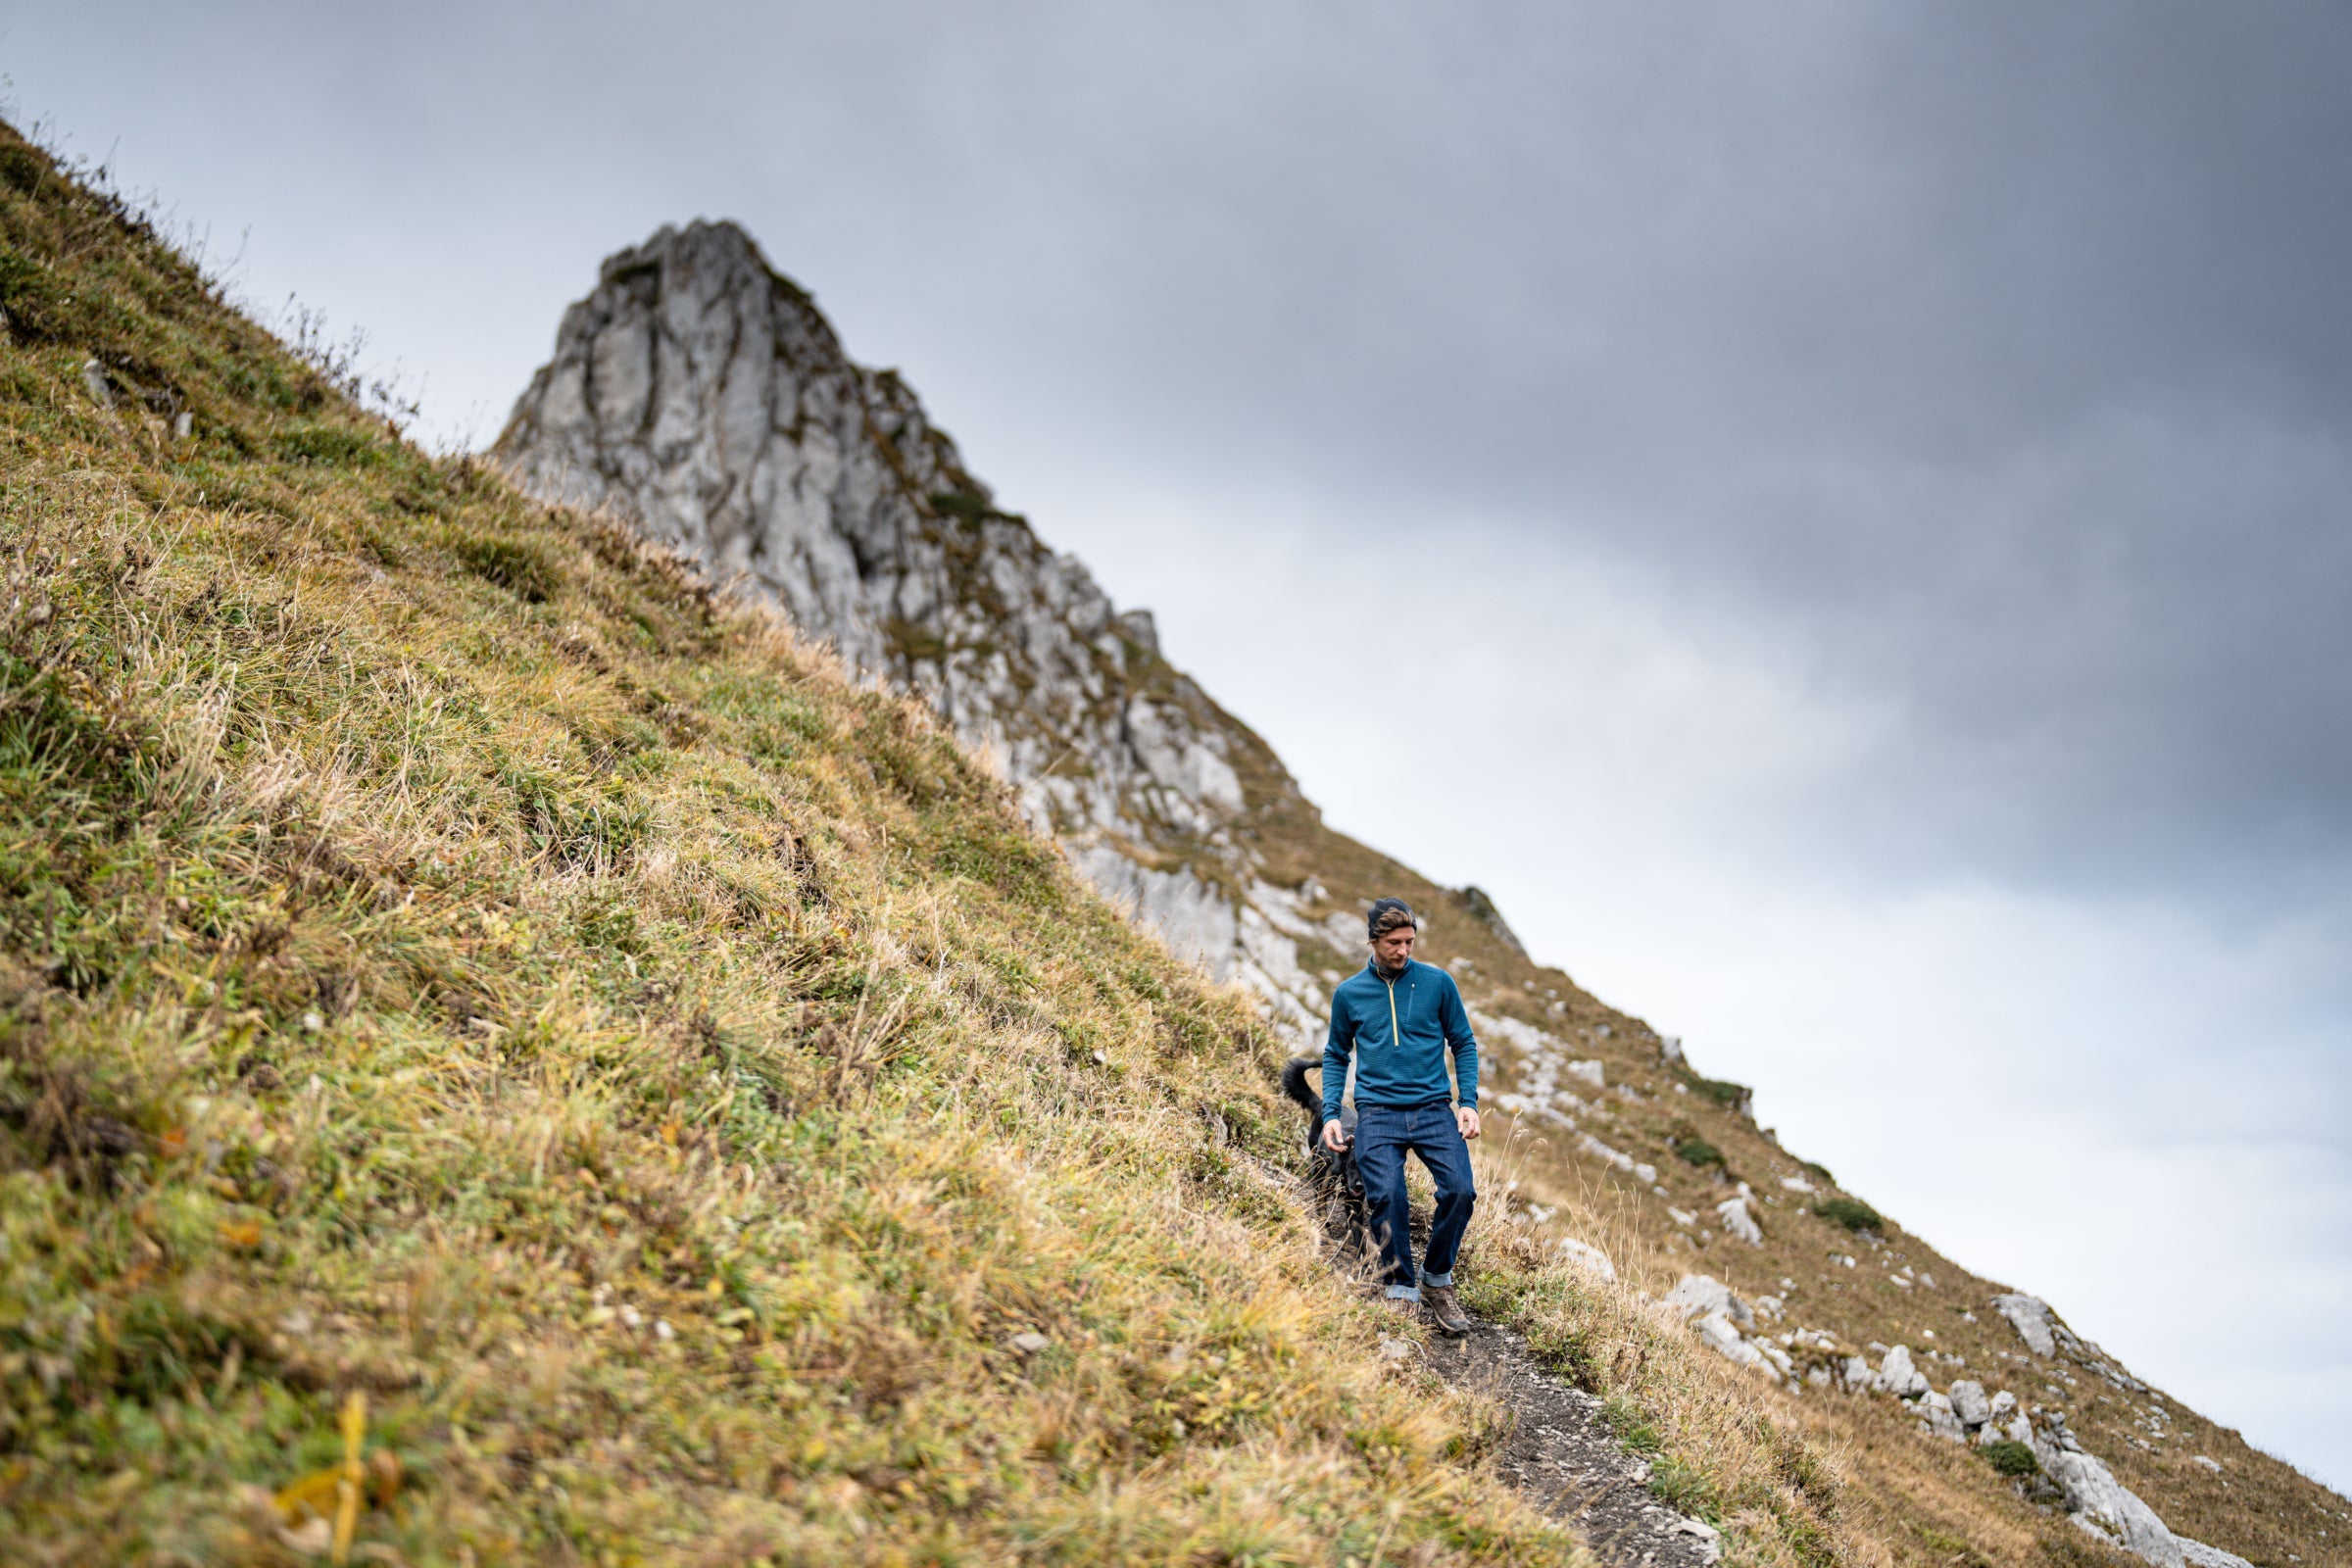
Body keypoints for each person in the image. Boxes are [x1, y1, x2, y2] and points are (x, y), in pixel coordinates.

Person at [1320, 898, 1481, 1335]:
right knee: (1388, 1195)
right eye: (1394, 943)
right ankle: (1400, 1288)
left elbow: (1463, 1043)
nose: (1403, 951)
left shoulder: (1438, 983)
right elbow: (1336, 1055)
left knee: (1461, 1192)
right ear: (1373, 940)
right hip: (1377, 1112)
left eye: (1410, 942)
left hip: (1433, 1109)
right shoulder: (1350, 993)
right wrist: (1331, 1112)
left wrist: (1468, 1102)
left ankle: (1436, 1280)